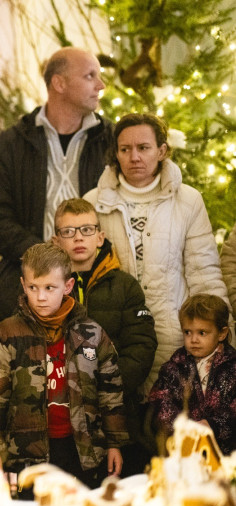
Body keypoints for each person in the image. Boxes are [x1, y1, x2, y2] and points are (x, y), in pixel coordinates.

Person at [84, 113, 229, 388]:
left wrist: (219, 335)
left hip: (174, 337)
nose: (134, 157)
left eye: (143, 148)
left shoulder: (188, 200)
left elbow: (204, 271)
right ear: (116, 153)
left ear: (161, 151)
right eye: (125, 149)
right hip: (114, 338)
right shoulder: (94, 203)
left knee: (170, 411)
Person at [0, 242, 127, 489]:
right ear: (23, 285)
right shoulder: (4, 335)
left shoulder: (92, 334)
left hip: (82, 451)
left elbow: (110, 392)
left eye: (49, 287)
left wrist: (114, 443)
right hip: (26, 455)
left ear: (68, 286)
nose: (41, 297)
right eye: (33, 287)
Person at [0, 47, 111, 318]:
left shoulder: (111, 140)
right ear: (59, 83)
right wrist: (44, 258)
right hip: (29, 288)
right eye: (90, 76)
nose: (101, 85)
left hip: (98, 282)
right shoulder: (11, 143)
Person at [51, 198, 157, 475]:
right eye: (68, 231)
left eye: (86, 230)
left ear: (100, 237)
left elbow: (141, 346)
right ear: (56, 241)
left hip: (118, 416)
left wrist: (107, 388)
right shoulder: (46, 289)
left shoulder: (124, 286)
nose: (78, 238)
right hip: (62, 417)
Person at [150, 294, 236, 454]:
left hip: (226, 453)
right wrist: (182, 428)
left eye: (202, 333)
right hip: (184, 451)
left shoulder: (232, 367)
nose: (193, 339)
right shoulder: (174, 367)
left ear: (222, 333)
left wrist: (213, 425)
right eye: (188, 332)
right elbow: (161, 400)